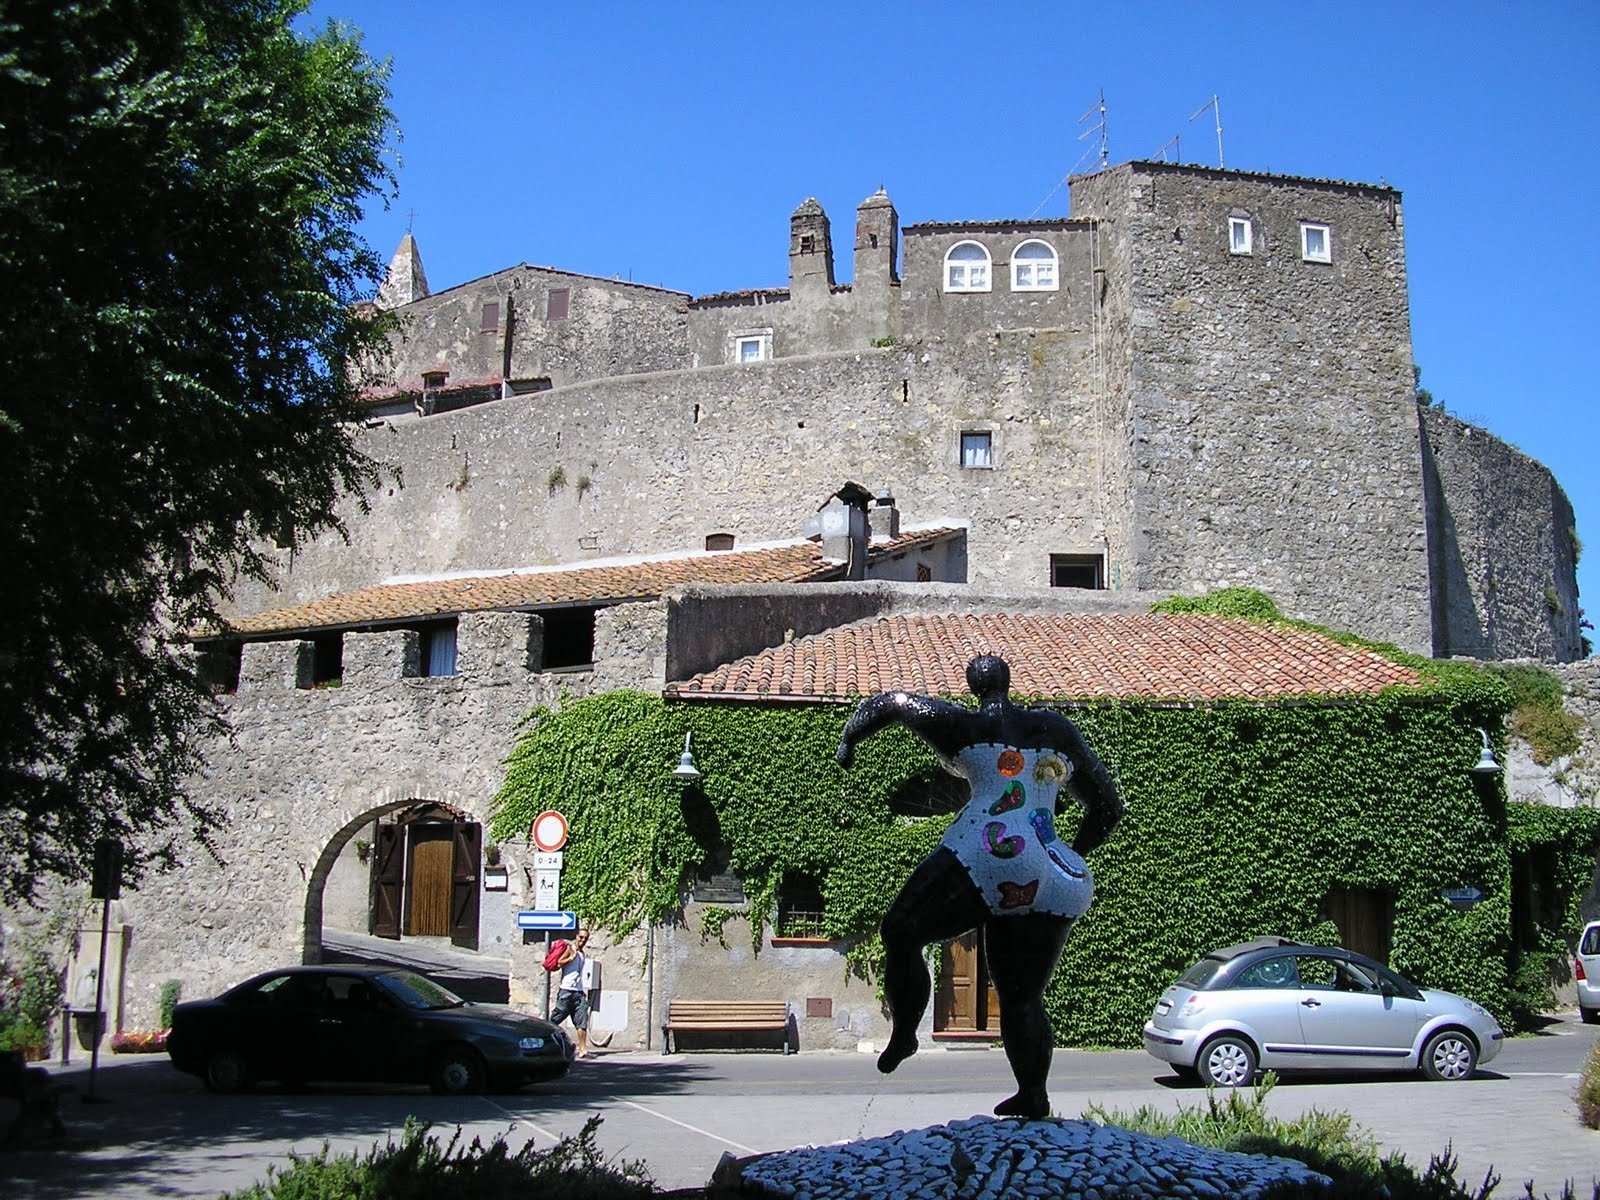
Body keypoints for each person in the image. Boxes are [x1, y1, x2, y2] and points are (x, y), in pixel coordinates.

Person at [835, 654, 1123, 1119]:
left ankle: (905, 1033)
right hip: (1053, 869)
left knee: (901, 930)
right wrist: (1067, 852)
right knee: (1021, 996)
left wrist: (850, 739)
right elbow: (1108, 806)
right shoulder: (1058, 730)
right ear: (1010, 682)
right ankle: (1033, 1094)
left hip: (988, 848)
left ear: (974, 686)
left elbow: (891, 703)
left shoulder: (965, 725)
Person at [550, 929, 592, 1058]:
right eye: (581, 937)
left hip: (578, 992)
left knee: (581, 1020)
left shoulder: (582, 953)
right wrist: (570, 958)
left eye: (585, 938)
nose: (582, 940)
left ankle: (583, 1049)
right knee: (555, 1020)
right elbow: (559, 963)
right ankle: (546, 1042)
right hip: (566, 991)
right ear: (576, 936)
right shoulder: (570, 948)